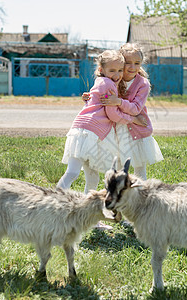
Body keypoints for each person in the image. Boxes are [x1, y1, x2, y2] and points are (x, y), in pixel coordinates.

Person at [57, 50, 147, 230]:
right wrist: (134, 119)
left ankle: (90, 218)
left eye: (119, 70)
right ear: (101, 69)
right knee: (73, 172)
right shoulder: (108, 84)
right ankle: (53, 205)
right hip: (89, 133)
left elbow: (94, 103)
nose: (117, 75)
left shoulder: (101, 82)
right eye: (112, 70)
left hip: (85, 132)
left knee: (91, 177)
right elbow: (112, 114)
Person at [84, 43, 163, 180]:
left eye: (137, 63)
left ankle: (141, 195)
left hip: (137, 128)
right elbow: (101, 102)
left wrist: (118, 101)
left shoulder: (142, 83)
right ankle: (119, 194)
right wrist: (89, 98)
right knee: (118, 164)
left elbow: (136, 109)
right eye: (128, 63)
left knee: (139, 165)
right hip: (117, 127)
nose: (132, 67)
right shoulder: (114, 78)